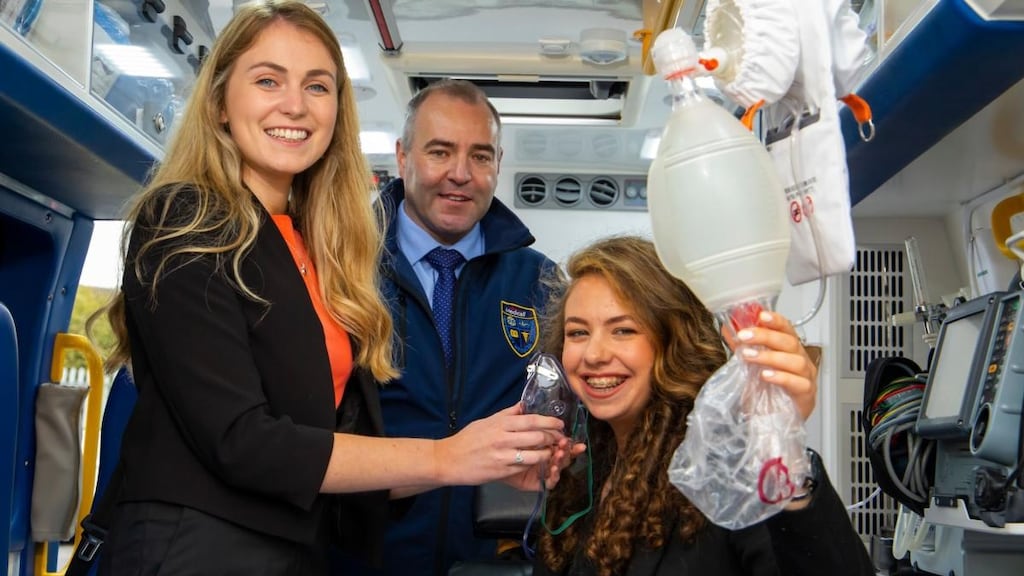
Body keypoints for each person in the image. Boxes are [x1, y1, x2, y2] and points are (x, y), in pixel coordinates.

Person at [94, 3, 571, 574]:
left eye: (317, 86)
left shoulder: (321, 251)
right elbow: (240, 442)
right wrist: (445, 458)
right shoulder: (188, 221)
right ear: (221, 102)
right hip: (200, 550)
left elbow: (326, 448)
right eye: (268, 80)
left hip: (301, 548)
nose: (294, 105)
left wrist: (490, 461)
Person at [533, 236, 875, 576]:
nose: (593, 355)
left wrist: (782, 448)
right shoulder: (578, 474)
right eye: (577, 333)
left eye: (623, 330)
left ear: (673, 342)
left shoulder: (725, 468)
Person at [335, 79, 558, 575]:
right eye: (440, 151)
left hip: (489, 558)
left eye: (480, 156)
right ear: (402, 157)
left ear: (498, 164)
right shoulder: (342, 266)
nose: (460, 174)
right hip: (357, 553)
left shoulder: (539, 281)